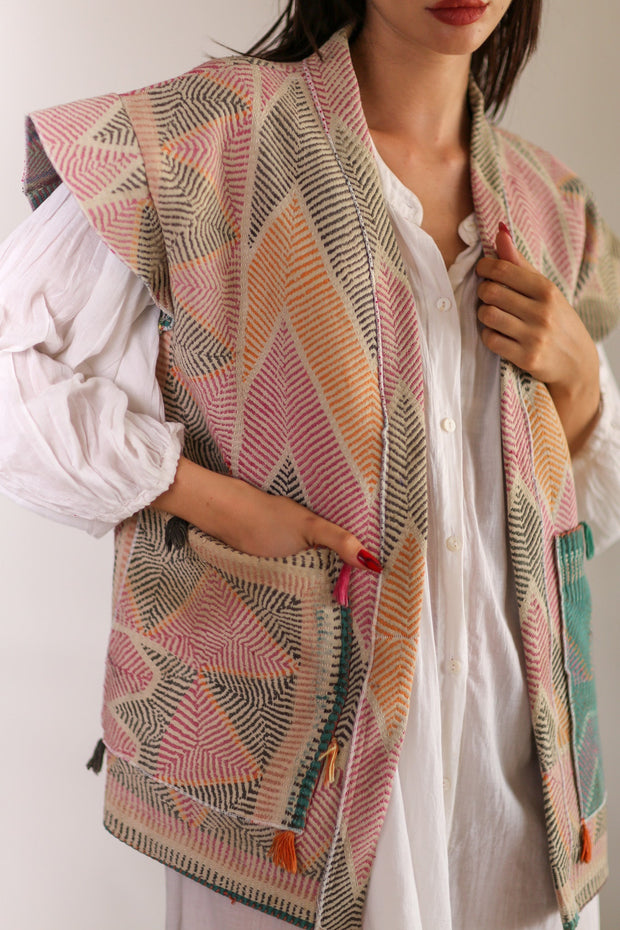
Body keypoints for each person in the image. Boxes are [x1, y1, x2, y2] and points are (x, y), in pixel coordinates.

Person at [1, 1, 619, 928]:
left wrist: (577, 380)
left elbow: (580, 505)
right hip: (291, 780)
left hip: (511, 781)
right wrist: (210, 501)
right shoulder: (205, 139)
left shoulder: (549, 205)